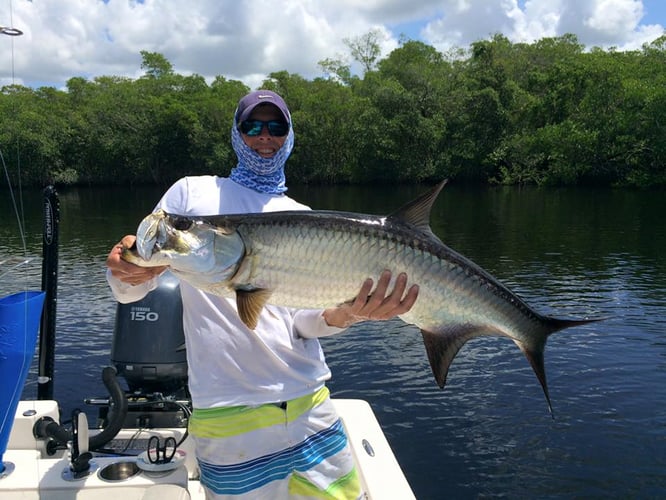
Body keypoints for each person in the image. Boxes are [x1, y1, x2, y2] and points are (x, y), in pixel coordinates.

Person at [106, 90, 419, 499]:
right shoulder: (191, 197)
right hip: (229, 412)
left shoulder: (303, 216)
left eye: (276, 126)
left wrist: (349, 315)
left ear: (289, 136)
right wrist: (124, 272)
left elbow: (301, 323)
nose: (264, 136)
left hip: (310, 404)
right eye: (252, 125)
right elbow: (134, 288)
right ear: (237, 134)